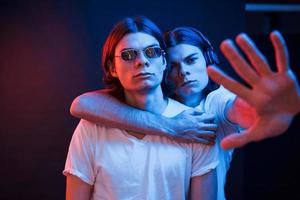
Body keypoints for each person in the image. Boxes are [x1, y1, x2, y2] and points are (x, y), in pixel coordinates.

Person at [69, 26, 300, 199]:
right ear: (164, 67)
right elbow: (81, 105)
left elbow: (237, 109)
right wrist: (171, 125)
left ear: (207, 59)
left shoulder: (213, 104)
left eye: (191, 61)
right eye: (175, 66)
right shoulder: (158, 107)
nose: (184, 72)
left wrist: (264, 109)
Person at [64, 16, 219, 200]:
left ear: (163, 62)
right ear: (113, 68)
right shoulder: (91, 128)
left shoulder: (195, 126)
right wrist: (171, 126)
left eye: (152, 52)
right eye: (129, 55)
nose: (142, 61)